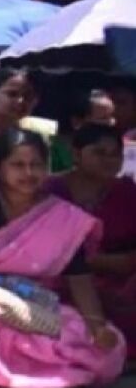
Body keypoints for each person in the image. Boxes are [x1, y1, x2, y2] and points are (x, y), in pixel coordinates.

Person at [0, 128, 125, 388]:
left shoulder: (60, 213)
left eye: (36, 165)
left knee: (110, 350)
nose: (28, 173)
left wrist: (97, 327)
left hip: (36, 303)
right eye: (18, 165)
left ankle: (20, 368)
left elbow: (78, 275)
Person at [46, 124, 136, 361]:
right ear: (77, 154)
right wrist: (94, 263)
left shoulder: (128, 192)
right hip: (60, 280)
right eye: (99, 152)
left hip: (121, 281)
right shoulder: (50, 191)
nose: (109, 160)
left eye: (115, 154)